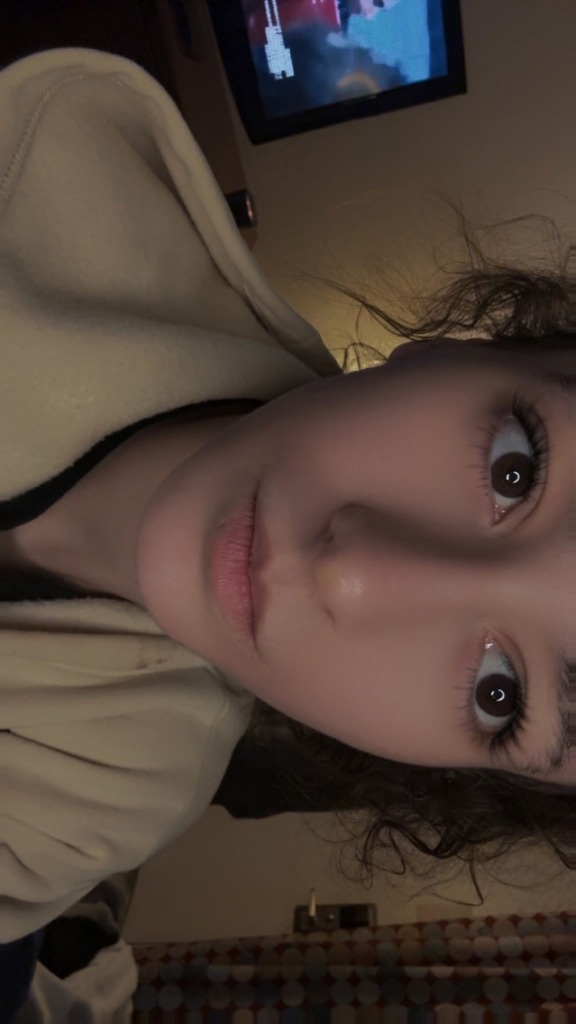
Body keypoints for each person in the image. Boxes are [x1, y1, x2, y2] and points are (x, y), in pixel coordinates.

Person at [0, 44, 575, 1020]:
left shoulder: (110, 799)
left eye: (500, 694)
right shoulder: (48, 158)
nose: (357, 576)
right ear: (456, 349)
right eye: (514, 468)